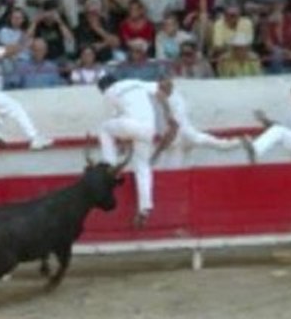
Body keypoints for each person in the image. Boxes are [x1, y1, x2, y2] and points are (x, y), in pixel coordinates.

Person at [97, 74, 175, 228]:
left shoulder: (108, 93)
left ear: (103, 88)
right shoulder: (137, 82)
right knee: (143, 167)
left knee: (103, 128)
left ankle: (110, 164)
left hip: (130, 126)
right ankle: (144, 208)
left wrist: (120, 144)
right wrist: (168, 115)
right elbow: (162, 92)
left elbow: (116, 121)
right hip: (148, 129)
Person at [150, 77, 247, 168]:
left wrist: (157, 153)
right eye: (160, 88)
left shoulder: (176, 103)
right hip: (180, 140)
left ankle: (242, 142)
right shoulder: (167, 98)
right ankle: (242, 141)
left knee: (221, 145)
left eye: (164, 88)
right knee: (175, 170)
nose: (160, 91)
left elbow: (172, 130)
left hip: (184, 137)